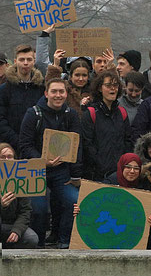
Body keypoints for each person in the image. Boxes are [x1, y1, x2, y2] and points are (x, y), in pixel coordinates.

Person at [18, 78, 82, 248]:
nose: (58, 95)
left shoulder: (72, 115)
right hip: (37, 169)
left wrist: (76, 175)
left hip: (62, 170)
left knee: (73, 201)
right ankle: (38, 244)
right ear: (46, 94)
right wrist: (42, 160)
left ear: (66, 94)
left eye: (61, 91)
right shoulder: (33, 114)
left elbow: (77, 145)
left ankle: (64, 241)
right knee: (38, 208)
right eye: (54, 91)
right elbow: (24, 145)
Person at [81, 70, 133, 181]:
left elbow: (127, 141)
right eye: (108, 85)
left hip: (118, 172)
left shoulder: (122, 113)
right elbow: (87, 144)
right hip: (96, 174)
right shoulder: (91, 113)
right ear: (100, 88)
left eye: (115, 85)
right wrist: (100, 163)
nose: (113, 88)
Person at [0, 44, 45, 149]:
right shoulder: (4, 90)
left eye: (29, 59)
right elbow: (1, 120)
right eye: (22, 59)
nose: (25, 63)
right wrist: (18, 141)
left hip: (36, 145)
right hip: (11, 146)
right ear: (15, 61)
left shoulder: (41, 88)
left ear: (34, 61)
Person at [0, 143, 39, 248]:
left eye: (10, 157)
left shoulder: (20, 181)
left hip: (11, 225)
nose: (7, 160)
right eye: (3, 157)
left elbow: (25, 211)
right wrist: (2, 205)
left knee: (32, 238)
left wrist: (17, 231)